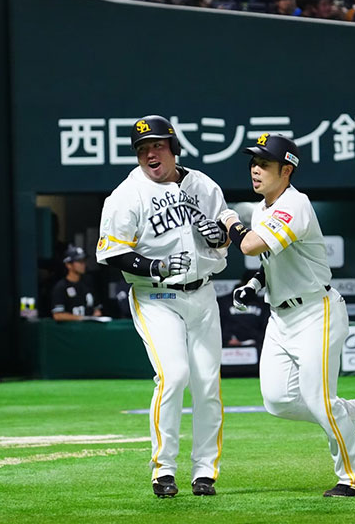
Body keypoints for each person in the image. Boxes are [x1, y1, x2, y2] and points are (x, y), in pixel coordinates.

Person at [218, 133, 355, 498]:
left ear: (286, 170)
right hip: (281, 317)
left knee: (318, 399)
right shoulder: (262, 208)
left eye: (264, 164)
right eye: (253, 163)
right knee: (277, 400)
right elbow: (272, 261)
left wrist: (230, 222)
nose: (255, 170)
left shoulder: (294, 204)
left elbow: (251, 244)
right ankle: (349, 413)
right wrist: (253, 286)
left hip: (316, 313)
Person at [96, 115, 228, 498]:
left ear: (173, 148)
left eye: (156, 145)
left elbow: (224, 235)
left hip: (202, 294)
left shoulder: (203, 185)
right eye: (141, 149)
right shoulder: (126, 195)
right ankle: (163, 469)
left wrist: (221, 236)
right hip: (156, 297)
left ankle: (205, 471)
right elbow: (111, 251)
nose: (149, 153)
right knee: (174, 376)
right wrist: (153, 266)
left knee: (207, 385)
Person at [51, 245, 104, 322]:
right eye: (79, 261)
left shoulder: (88, 283)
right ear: (68, 265)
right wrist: (82, 318)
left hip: (88, 329)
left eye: (84, 261)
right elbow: (58, 315)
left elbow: (97, 309)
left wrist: (95, 315)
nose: (83, 265)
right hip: (70, 331)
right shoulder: (61, 287)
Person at [219, 270, 269, 348]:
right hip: (229, 346)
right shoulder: (224, 302)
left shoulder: (263, 304)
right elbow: (219, 325)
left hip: (257, 347)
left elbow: (266, 327)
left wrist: (256, 341)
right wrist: (227, 339)